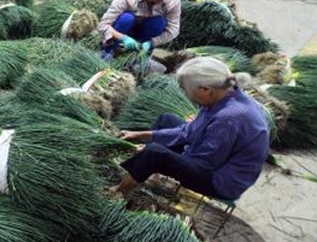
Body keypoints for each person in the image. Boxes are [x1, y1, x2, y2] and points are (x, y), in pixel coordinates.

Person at [115, 57, 269, 201]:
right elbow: (188, 132)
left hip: (220, 180)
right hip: (212, 157)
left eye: (186, 89)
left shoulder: (228, 119)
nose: (186, 95)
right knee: (166, 120)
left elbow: (204, 161)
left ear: (205, 90)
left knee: (154, 153)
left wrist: (157, 153)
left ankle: (118, 194)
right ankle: (146, 171)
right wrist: (139, 134)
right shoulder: (225, 95)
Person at [97, 0, 181, 58]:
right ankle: (109, 52)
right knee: (126, 18)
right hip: (125, 31)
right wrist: (122, 38)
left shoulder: (173, 0)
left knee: (158, 22)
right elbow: (103, 25)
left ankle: (142, 56)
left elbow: (173, 30)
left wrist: (152, 42)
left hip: (147, 35)